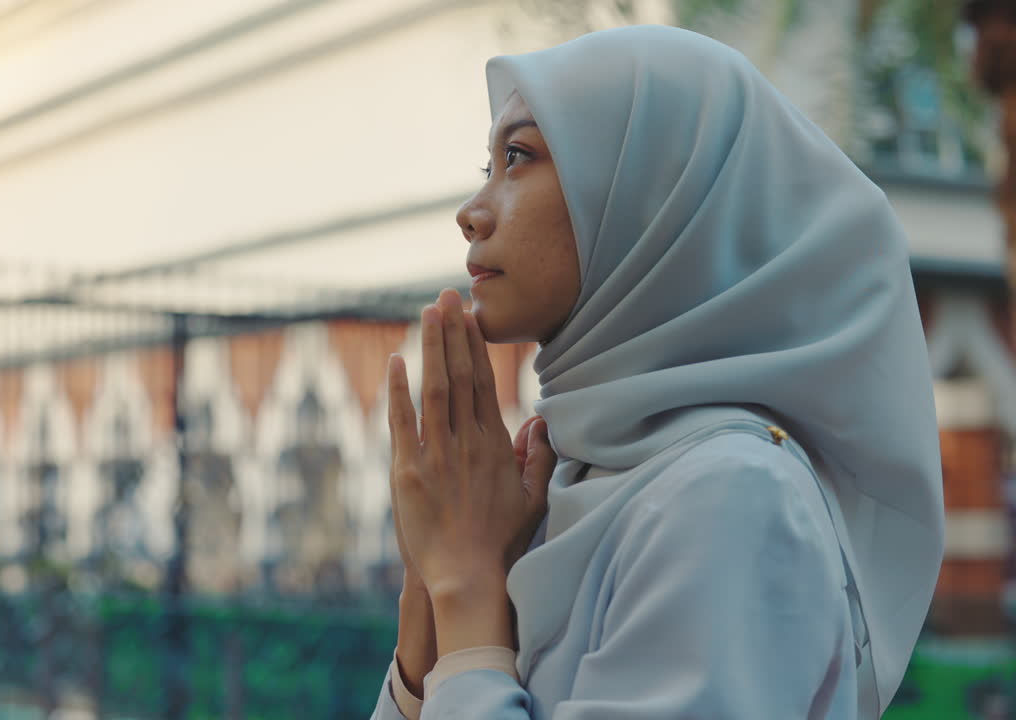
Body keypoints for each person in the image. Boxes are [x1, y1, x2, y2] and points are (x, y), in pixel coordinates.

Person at [370, 25, 944, 720]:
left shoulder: (731, 497)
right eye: (487, 167)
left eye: (518, 156)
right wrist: (428, 620)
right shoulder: (570, 486)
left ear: (652, 191)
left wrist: (465, 591)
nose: (472, 213)